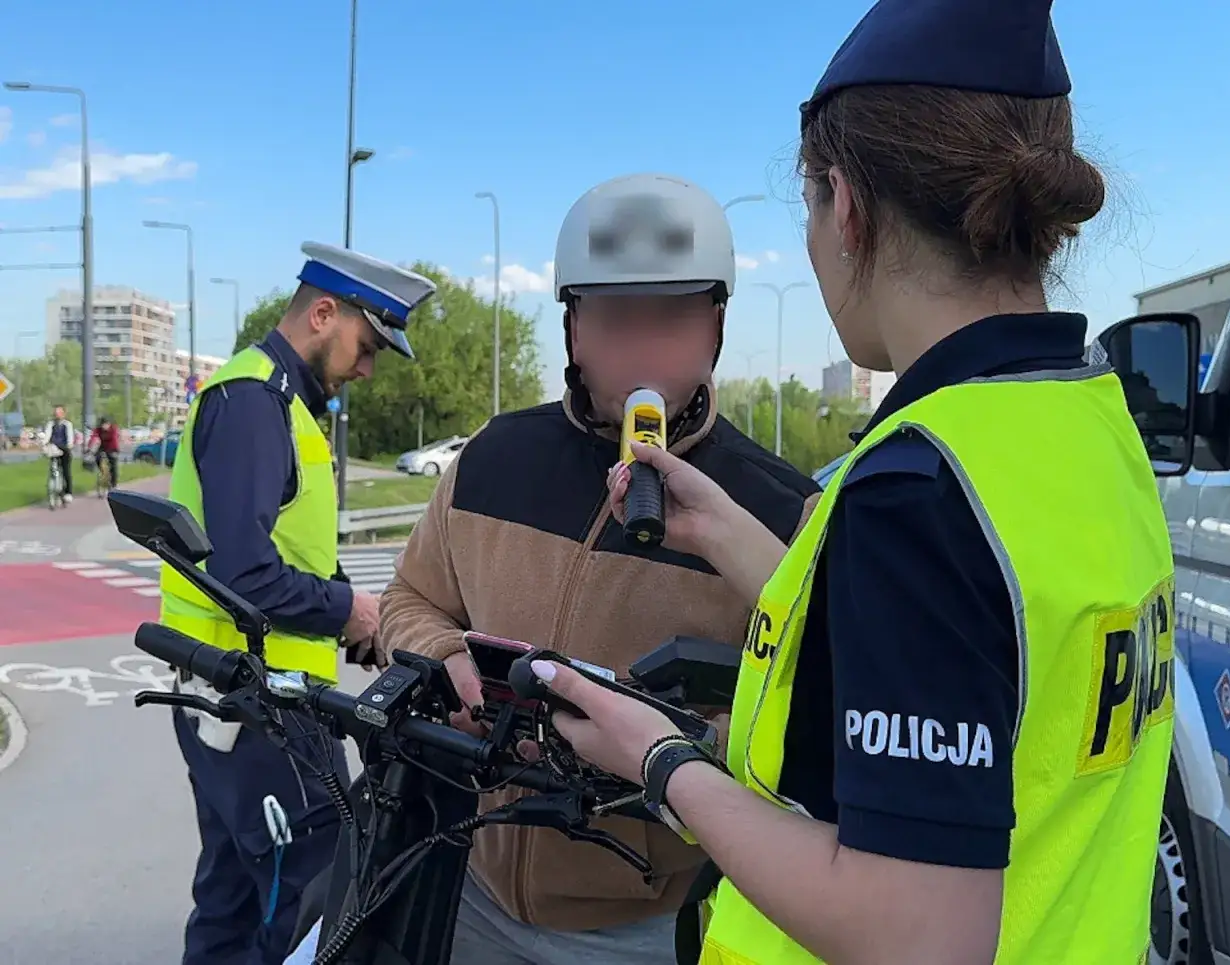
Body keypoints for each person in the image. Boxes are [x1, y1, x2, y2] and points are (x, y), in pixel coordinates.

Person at [523, 4, 1177, 964]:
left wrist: (658, 760)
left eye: (811, 210)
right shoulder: (1082, 418)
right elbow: (982, 647)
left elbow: (918, 933)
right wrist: (730, 535)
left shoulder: (918, 486)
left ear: (849, 206)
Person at [377, 173, 821, 965]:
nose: (641, 347)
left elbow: (809, 724)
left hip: (643, 922)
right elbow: (411, 596)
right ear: (574, 327)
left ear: (715, 326)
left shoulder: (781, 512)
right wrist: (447, 664)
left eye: (671, 318)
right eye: (614, 318)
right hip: (474, 884)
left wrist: (668, 745)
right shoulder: (491, 458)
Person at [158, 241, 435, 965]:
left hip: (243, 700)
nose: (368, 367)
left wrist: (350, 612)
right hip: (260, 711)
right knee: (312, 905)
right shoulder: (255, 403)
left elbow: (291, 550)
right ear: (322, 313)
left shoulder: (274, 401)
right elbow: (246, 571)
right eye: (367, 345)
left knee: (232, 900)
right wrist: (350, 610)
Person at [43, 405, 75, 500]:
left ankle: (68, 492)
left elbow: (70, 438)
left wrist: (69, 445)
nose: (57, 415)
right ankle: (52, 487)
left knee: (66, 470)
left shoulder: (67, 424)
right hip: (54, 449)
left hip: (64, 449)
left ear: (63, 414)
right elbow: (47, 436)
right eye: (56, 413)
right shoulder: (51, 424)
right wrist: (44, 443)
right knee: (53, 468)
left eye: (59, 413)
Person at [88, 415, 120, 489]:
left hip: (112, 447)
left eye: (107, 424)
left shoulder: (113, 429)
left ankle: (113, 484)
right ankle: (103, 472)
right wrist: (89, 448)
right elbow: (93, 437)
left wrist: (114, 451)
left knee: (113, 465)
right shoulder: (98, 429)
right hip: (103, 447)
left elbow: (114, 440)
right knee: (97, 458)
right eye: (103, 424)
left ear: (109, 424)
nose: (105, 426)